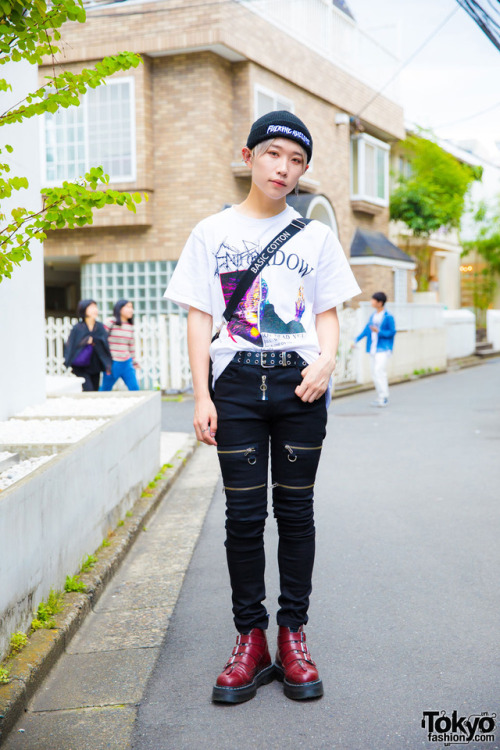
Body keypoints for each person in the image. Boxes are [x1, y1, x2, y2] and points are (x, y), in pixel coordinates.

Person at [164, 110, 361, 704]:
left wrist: (327, 360)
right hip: (238, 389)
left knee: (296, 515)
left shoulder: (316, 236)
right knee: (245, 520)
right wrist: (201, 394)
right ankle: (250, 638)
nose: (285, 168)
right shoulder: (210, 233)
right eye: (275, 153)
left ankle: (292, 634)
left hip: (301, 388)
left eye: (297, 161)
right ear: (249, 156)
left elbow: (327, 312)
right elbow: (200, 317)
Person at [353, 291, 396, 407]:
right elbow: (366, 330)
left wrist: (379, 332)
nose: (371, 302)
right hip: (372, 348)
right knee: (374, 373)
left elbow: (392, 332)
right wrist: (356, 340)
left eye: (373, 300)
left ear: (380, 303)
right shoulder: (373, 316)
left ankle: (384, 396)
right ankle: (381, 396)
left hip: (383, 348)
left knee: (379, 371)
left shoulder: (388, 317)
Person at [64, 299, 112, 391]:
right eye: (91, 307)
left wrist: (95, 341)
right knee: (88, 389)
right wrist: (85, 341)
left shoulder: (100, 327)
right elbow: (71, 345)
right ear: (84, 309)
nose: (95, 310)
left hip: (95, 365)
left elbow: (105, 345)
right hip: (81, 365)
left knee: (94, 390)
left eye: (95, 307)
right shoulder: (78, 328)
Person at [100, 299, 140, 391]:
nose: (131, 310)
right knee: (105, 389)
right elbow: (101, 340)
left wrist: (134, 361)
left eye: (132, 307)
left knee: (134, 388)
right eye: (128, 307)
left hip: (126, 362)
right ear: (120, 309)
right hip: (113, 363)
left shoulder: (130, 326)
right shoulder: (110, 322)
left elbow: (131, 346)